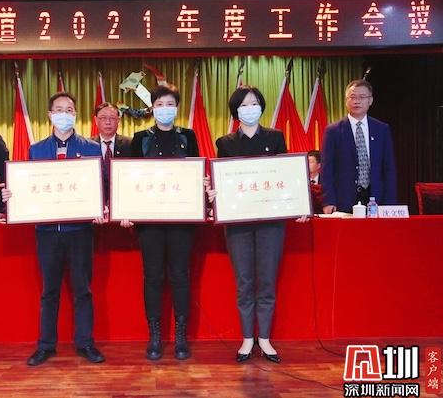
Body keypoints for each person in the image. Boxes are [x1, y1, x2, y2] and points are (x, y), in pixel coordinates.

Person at [2, 92, 106, 366]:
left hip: (80, 232)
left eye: (69, 109)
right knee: (49, 291)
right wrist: (12, 195)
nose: (64, 114)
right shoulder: (36, 150)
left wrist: (101, 206)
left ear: (76, 114)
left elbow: (101, 186)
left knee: (83, 290)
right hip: (47, 233)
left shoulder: (92, 148)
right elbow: (29, 188)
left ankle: (85, 343)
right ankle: (46, 345)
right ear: (49, 115)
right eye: (58, 110)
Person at [208, 85, 308, 364]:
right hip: (237, 221)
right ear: (235, 111)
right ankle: (247, 338)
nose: (249, 109)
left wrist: (298, 204)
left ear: (262, 107)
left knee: (267, 279)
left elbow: (286, 176)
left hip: (270, 221)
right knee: (244, 281)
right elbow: (222, 179)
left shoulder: (275, 137)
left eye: (254, 103)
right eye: (243, 105)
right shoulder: (225, 142)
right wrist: (214, 191)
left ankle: (264, 338)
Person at [128, 84, 200, 361]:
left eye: (170, 104)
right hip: (150, 221)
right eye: (159, 105)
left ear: (177, 108)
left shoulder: (188, 136)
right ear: (152, 108)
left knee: (180, 275)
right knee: (153, 276)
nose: (165, 109)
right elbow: (130, 179)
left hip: (182, 219)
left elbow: (196, 171)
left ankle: (181, 335)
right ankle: (155, 335)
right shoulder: (140, 139)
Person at [321, 79, 397, 214]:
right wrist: (329, 200)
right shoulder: (333, 131)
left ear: (370, 100)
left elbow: (388, 168)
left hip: (376, 198)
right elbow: (327, 169)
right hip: (343, 199)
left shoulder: (382, 129)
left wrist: (390, 202)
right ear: (346, 101)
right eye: (352, 97)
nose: (357, 101)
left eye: (362, 97)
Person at [91, 102, 132, 202]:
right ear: (96, 120)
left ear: (118, 120)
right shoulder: (88, 145)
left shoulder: (130, 144)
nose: (108, 122)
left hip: (124, 199)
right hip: (95, 200)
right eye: (103, 118)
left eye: (112, 118)